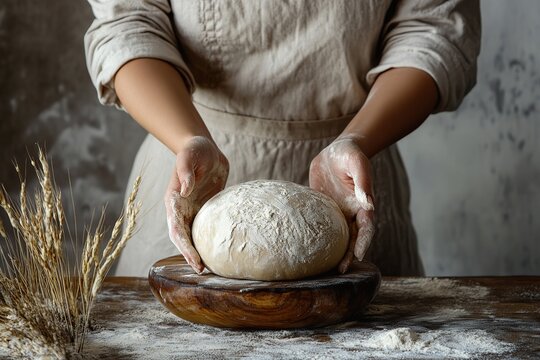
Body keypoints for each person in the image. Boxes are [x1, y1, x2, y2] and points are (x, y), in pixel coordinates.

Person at [84, 1, 480, 277]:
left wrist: (357, 140)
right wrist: (188, 138)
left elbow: (433, 28)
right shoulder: (191, 160)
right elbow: (128, 25)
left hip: (353, 182)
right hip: (191, 174)